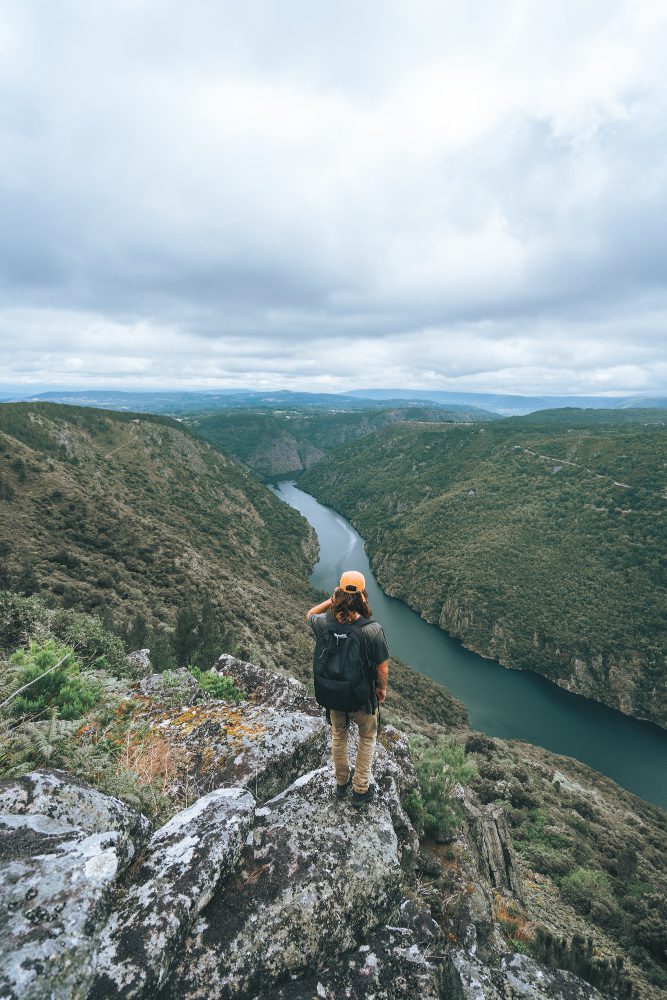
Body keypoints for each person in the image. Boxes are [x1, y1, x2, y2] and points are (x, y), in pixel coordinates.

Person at [306, 570, 389, 806]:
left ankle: (341, 783)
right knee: (367, 737)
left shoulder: (324, 623)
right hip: (362, 697)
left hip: (334, 695)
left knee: (338, 734)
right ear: (363, 594)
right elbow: (382, 667)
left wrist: (332, 601)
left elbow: (310, 614)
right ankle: (361, 789)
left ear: (339, 592)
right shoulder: (372, 629)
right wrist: (381, 690)